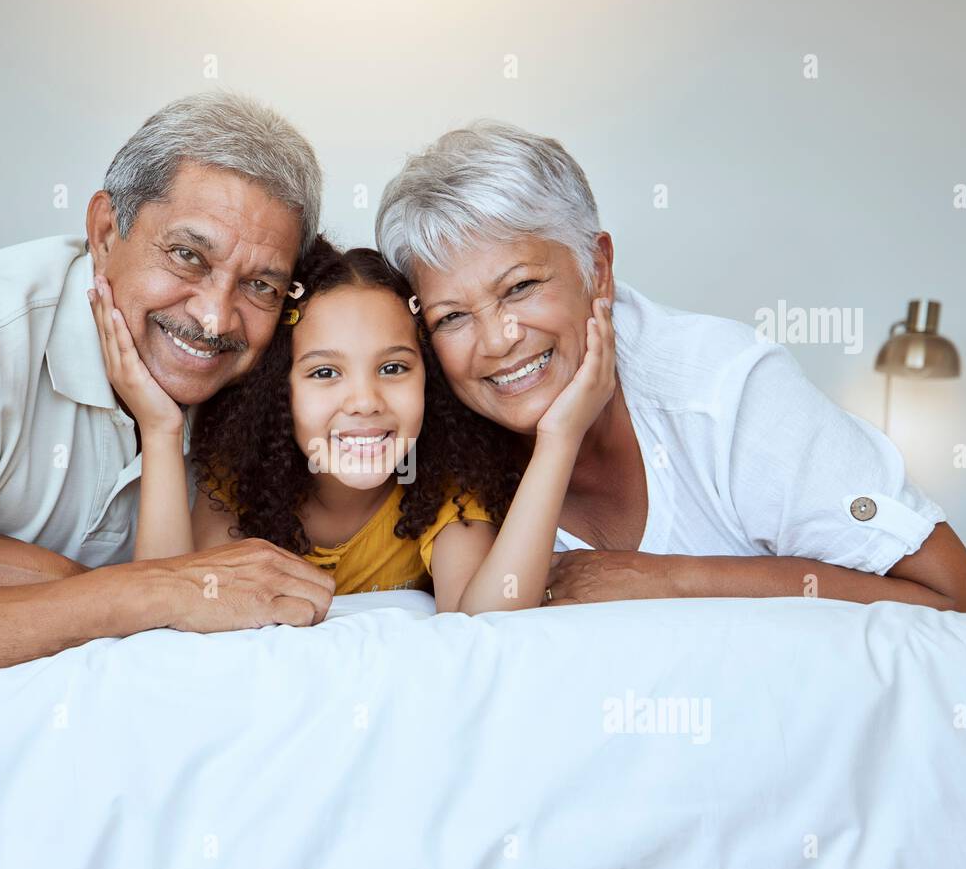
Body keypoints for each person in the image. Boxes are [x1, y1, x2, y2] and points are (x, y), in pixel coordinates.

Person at [0, 93, 336, 697]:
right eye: (188, 256)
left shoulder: (276, 375)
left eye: (260, 285)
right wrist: (154, 590)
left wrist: (33, 575)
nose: (215, 319)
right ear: (106, 231)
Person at [375, 120, 966, 614]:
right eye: (452, 317)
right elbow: (477, 627)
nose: (498, 340)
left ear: (600, 270)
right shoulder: (440, 435)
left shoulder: (727, 390)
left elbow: (957, 598)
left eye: (521, 287)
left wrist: (665, 579)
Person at [94, 235, 621, 613]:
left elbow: (485, 620)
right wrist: (161, 430)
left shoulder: (441, 489)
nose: (365, 401)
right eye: (325, 372)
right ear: (281, 391)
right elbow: (165, 609)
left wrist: (559, 439)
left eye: (393, 368)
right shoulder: (239, 484)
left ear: (429, 383)